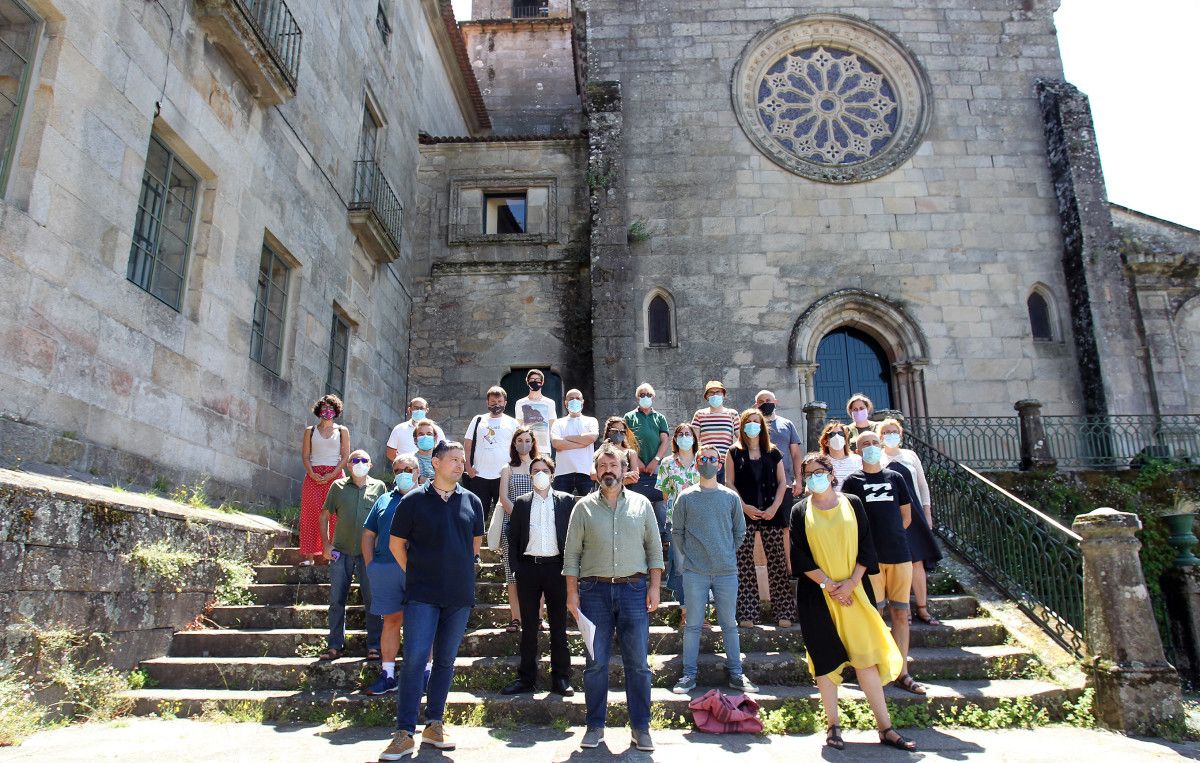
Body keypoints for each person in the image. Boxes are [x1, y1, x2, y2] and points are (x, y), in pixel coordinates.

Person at [790, 453, 915, 752]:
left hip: (855, 591)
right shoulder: (799, 510)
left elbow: (867, 546)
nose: (813, 477)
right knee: (825, 661)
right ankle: (833, 726)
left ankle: (885, 727)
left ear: (832, 474)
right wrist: (828, 585)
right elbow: (798, 555)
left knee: (866, 659)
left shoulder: (853, 503)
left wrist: (850, 583)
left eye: (818, 471)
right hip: (817, 595)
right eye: (808, 473)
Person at [380, 442, 485, 761]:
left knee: (445, 661)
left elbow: (475, 545)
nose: (459, 464)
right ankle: (404, 732)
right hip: (422, 594)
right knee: (414, 659)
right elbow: (397, 544)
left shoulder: (473, 501)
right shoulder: (413, 500)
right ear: (435, 463)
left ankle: (434, 724)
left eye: (462, 460)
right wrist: (415, 573)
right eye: (453, 459)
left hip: (458, 595)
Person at [564, 443, 664, 753]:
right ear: (595, 472)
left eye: (614, 465)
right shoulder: (583, 508)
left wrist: (655, 586)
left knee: (638, 665)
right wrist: (571, 594)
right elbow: (572, 555)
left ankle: (641, 728)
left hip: (634, 591)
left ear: (624, 469)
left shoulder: (641, 504)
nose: (609, 470)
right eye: (603, 466)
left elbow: (655, 549)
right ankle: (595, 726)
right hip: (593, 593)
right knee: (595, 665)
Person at [838, 429, 925, 696]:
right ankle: (876, 668)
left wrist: (892, 536)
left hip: (899, 554)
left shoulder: (896, 478)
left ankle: (902, 672)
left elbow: (906, 516)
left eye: (875, 442)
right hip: (870, 560)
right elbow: (849, 521)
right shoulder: (852, 482)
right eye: (866, 444)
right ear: (857, 449)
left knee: (900, 612)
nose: (872, 447)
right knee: (874, 614)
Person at [670, 444, 755, 694]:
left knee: (729, 624)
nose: (707, 461)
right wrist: (689, 559)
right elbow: (678, 532)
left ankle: (737, 674)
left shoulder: (730, 498)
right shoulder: (685, 497)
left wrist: (726, 552)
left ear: (719, 464)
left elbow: (740, 532)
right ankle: (688, 675)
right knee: (693, 624)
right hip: (695, 572)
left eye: (712, 458)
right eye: (703, 458)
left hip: (726, 572)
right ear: (696, 464)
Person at [500, 455, 577, 697]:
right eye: (536, 470)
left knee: (558, 626)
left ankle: (561, 678)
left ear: (552, 474)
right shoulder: (521, 503)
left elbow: (575, 538)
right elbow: (512, 539)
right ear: (530, 475)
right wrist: (516, 568)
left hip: (557, 568)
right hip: (528, 569)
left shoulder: (566, 501)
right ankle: (526, 678)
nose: (540, 473)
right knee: (529, 627)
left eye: (545, 470)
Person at [725, 408, 795, 628]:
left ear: (762, 427)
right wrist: (743, 507)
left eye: (756, 422)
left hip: (771, 512)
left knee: (777, 561)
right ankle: (747, 613)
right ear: (743, 426)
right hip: (744, 514)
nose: (753, 426)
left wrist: (775, 506)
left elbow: (783, 482)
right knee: (743, 563)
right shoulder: (733, 452)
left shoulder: (772, 452)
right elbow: (729, 483)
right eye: (749, 422)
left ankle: (784, 611)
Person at [319, 449, 387, 662]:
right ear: (348, 465)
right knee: (336, 600)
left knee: (373, 600)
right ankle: (334, 645)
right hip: (341, 552)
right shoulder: (337, 486)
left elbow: (383, 520)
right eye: (355, 460)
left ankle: (374, 645)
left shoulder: (380, 487)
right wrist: (326, 544)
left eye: (364, 460)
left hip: (369, 554)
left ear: (371, 464)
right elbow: (324, 515)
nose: (359, 463)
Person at [362, 454, 420, 695]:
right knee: (391, 621)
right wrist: (370, 565)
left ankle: (423, 675)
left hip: (419, 570)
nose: (403, 473)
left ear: (418, 470)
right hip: (386, 568)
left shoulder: (430, 497)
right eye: (398, 470)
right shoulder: (384, 499)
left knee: (422, 622)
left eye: (408, 468)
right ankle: (387, 675)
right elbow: (368, 534)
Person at [878, 417, 944, 627]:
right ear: (880, 437)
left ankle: (923, 608)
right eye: (886, 432)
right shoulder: (877, 458)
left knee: (917, 561)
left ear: (901, 434)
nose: (890, 435)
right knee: (897, 562)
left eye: (893, 431)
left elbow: (923, 486)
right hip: (890, 514)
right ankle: (902, 607)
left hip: (914, 511)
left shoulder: (910, 455)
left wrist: (927, 513)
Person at [298, 394, 349, 566]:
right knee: (311, 514)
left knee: (335, 516)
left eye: (331, 408)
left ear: (336, 411)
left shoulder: (342, 431)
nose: (328, 411)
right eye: (324, 407)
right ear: (319, 410)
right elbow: (305, 455)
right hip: (314, 475)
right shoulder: (310, 431)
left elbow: (345, 456)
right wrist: (312, 473)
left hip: (335, 476)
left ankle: (332, 554)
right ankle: (310, 556)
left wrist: (333, 474)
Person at [498, 427, 539, 632]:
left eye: (528, 440)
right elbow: (503, 498)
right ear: (514, 443)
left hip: (538, 526)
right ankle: (516, 618)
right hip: (513, 527)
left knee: (538, 573)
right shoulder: (507, 468)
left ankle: (539, 618)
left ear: (533, 443)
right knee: (512, 574)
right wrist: (520, 517)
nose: (524, 443)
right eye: (520, 440)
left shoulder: (540, 467)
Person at [656, 423, 700, 615]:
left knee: (701, 565)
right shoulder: (667, 463)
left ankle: (701, 612)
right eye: (680, 434)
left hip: (701, 520)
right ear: (674, 439)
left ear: (694, 437)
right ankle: (685, 611)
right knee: (681, 566)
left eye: (688, 433)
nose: (684, 437)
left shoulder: (703, 459)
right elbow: (665, 495)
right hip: (677, 521)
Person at [463, 386, 519, 517]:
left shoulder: (513, 423)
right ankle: (478, 538)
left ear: (505, 403)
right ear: (487, 402)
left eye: (500, 402)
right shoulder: (478, 420)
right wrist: (468, 467)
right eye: (493, 402)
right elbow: (467, 444)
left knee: (505, 514)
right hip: (480, 475)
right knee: (478, 514)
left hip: (504, 475)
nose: (496, 405)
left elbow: (517, 446)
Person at [624, 383, 671, 537]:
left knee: (659, 501)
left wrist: (655, 460)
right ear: (637, 397)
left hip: (656, 466)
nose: (645, 397)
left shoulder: (660, 418)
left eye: (648, 395)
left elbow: (665, 441)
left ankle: (662, 536)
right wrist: (637, 462)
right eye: (642, 395)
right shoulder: (629, 417)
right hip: (635, 465)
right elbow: (627, 441)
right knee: (636, 498)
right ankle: (638, 535)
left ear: (653, 397)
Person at [755, 390, 803, 499]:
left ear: (775, 402)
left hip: (785, 482)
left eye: (768, 400)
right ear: (756, 405)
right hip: (757, 483)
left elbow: (796, 455)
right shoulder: (751, 426)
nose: (765, 403)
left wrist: (798, 480)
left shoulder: (787, 424)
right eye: (761, 401)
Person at [550, 388, 598, 496]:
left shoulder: (591, 421)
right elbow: (556, 443)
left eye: (577, 398)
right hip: (562, 473)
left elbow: (592, 438)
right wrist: (582, 443)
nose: (574, 400)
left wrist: (567, 438)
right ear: (565, 403)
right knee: (561, 508)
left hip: (585, 472)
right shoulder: (558, 423)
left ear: (582, 402)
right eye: (571, 398)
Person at [691, 381, 740, 479]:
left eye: (718, 392)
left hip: (726, 463)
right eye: (711, 392)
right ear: (706, 396)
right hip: (706, 462)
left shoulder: (732, 414)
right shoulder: (699, 414)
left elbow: (741, 438)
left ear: (723, 395)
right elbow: (694, 439)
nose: (715, 394)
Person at [515, 369, 557, 454]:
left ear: (542, 382)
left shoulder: (550, 403)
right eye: (532, 380)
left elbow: (552, 427)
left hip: (544, 449)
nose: (534, 382)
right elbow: (519, 426)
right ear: (527, 381)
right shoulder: (520, 403)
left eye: (537, 380)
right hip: (526, 449)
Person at [593, 417, 642, 486]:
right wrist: (625, 476)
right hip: (604, 494)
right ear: (608, 431)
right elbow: (593, 475)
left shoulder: (630, 453)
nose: (618, 434)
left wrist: (608, 479)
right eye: (615, 431)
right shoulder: (600, 452)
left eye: (622, 431)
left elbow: (634, 478)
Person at [818, 421, 863, 488]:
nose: (837, 436)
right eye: (832, 434)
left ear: (845, 440)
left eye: (841, 434)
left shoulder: (857, 459)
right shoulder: (820, 462)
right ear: (825, 442)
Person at [412, 419, 440, 484]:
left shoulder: (443, 459)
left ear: (435, 437)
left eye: (429, 434)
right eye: (421, 434)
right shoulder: (410, 460)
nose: (425, 437)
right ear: (415, 439)